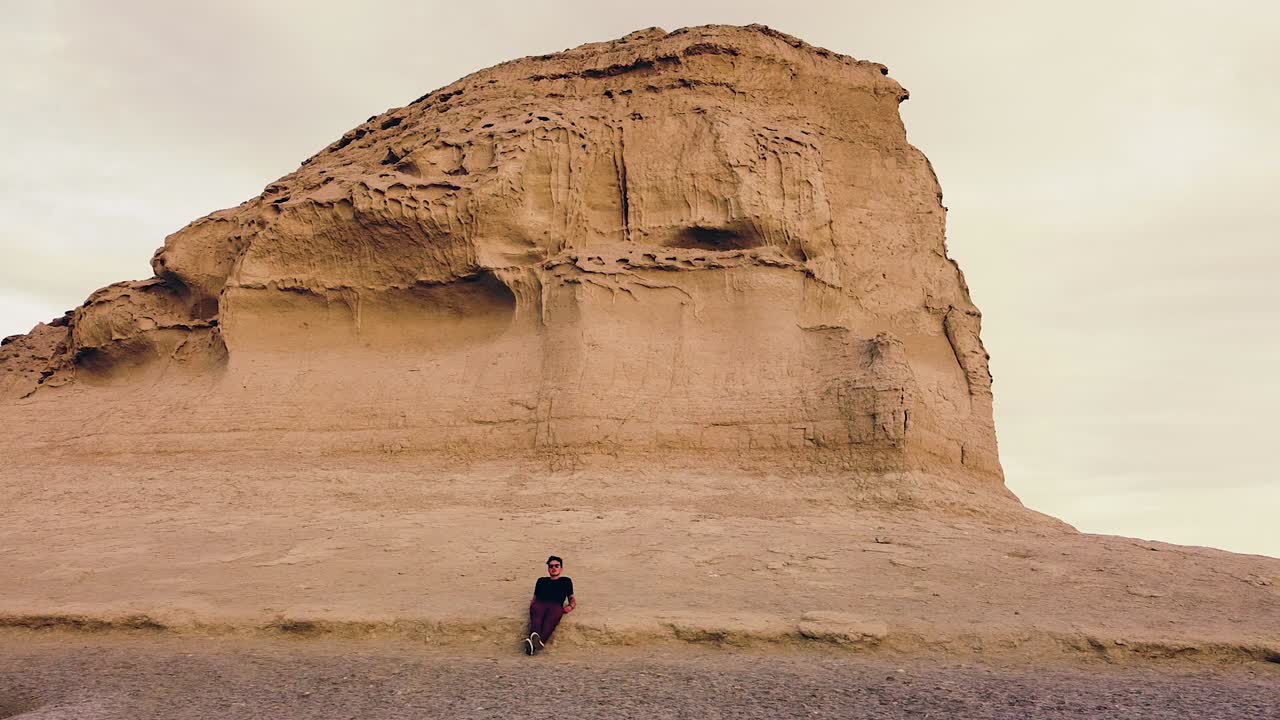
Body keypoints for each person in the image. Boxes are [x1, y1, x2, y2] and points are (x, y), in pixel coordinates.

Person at [524, 555, 575, 655]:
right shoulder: (541, 581)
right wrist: (532, 607)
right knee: (536, 621)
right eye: (551, 566)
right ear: (548, 569)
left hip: (556, 605)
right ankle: (537, 643)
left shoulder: (566, 581)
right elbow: (534, 598)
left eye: (556, 566)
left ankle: (534, 645)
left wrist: (570, 606)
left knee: (549, 623)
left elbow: (572, 598)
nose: (554, 568)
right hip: (540, 604)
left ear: (561, 568)